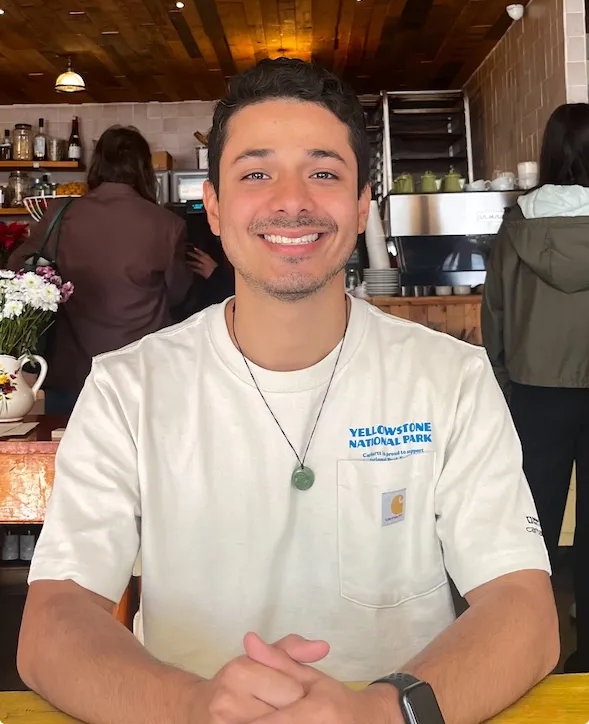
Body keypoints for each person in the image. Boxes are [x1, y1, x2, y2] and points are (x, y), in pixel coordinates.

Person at [18, 59, 558, 724]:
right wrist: (195, 705)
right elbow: (51, 625)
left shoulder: (448, 379)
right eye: (255, 173)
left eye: (324, 172)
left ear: (362, 204)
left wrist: (378, 713)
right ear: (212, 206)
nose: (291, 199)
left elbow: (524, 612)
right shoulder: (130, 387)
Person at [482, 102, 589, 674]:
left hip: (536, 389)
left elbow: (494, 311)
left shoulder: (519, 225)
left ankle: (531, 651)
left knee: (534, 521)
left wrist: (503, 380)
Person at [8, 125, 193, 415]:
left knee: (69, 455)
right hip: (142, 372)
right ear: (145, 169)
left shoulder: (61, 214)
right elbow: (178, 294)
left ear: (98, 164)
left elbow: (17, 270)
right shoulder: (168, 224)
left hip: (72, 373)